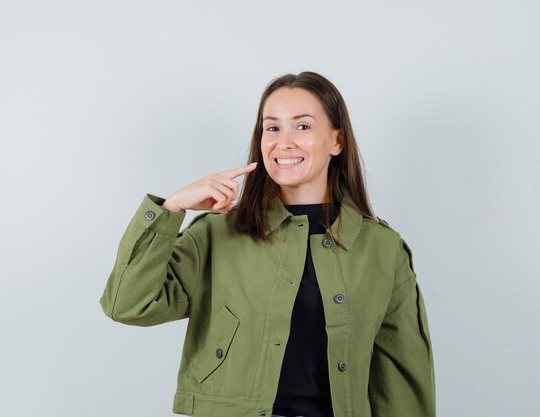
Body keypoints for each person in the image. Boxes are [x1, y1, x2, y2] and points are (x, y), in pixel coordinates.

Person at [99, 71, 436, 417]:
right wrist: (172, 209)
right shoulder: (218, 235)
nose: (284, 142)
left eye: (302, 127)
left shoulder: (382, 249)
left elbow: (401, 375)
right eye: (272, 128)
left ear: (337, 140)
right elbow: (126, 304)